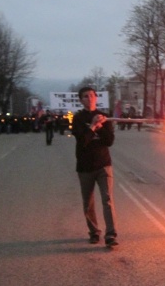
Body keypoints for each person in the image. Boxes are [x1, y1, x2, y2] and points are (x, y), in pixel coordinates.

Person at [72, 86, 119, 247]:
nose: (89, 98)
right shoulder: (78, 119)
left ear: (96, 98)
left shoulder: (104, 117)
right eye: (85, 96)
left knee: (107, 199)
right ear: (81, 100)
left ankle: (111, 234)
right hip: (85, 166)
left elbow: (109, 141)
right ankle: (94, 231)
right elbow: (83, 141)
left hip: (103, 164)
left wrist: (101, 127)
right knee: (88, 202)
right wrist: (92, 126)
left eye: (92, 95)